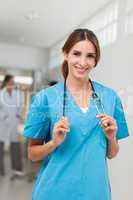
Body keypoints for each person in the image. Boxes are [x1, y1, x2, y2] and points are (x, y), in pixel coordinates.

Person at [23, 29, 129, 200]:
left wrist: (111, 137)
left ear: (96, 60)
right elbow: (32, 154)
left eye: (90, 56)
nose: (82, 62)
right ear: (66, 54)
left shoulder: (110, 97)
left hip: (95, 192)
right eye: (76, 54)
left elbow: (111, 153)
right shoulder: (45, 98)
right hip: (54, 192)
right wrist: (53, 143)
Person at [0, 74, 24, 179]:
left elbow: (20, 105)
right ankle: (1, 170)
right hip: (2, 123)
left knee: (15, 146)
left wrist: (18, 115)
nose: (12, 84)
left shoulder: (17, 94)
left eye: (13, 83)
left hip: (14, 123)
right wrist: (4, 117)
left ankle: (17, 169)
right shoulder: (1, 94)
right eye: (11, 82)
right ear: (6, 82)